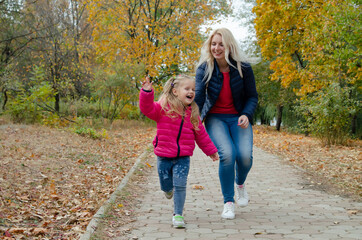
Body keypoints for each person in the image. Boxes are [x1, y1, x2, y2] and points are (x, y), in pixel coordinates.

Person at [139, 74, 219, 228]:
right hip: (163, 155)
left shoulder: (193, 113)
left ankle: (178, 215)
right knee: (166, 185)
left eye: (193, 89)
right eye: (187, 88)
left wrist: (211, 151)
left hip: (183, 157)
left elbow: (201, 134)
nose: (191, 92)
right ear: (175, 91)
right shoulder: (163, 108)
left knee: (181, 185)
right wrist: (147, 92)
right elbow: (147, 108)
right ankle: (167, 190)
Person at [194, 28, 258, 220]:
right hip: (216, 119)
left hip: (238, 118)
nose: (216, 48)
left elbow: (252, 96)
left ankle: (240, 183)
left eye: (221, 44)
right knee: (228, 154)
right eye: (213, 44)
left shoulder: (243, 68)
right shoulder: (204, 69)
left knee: (245, 157)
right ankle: (228, 202)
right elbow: (198, 97)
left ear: (229, 46)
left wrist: (246, 114)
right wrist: (192, 119)